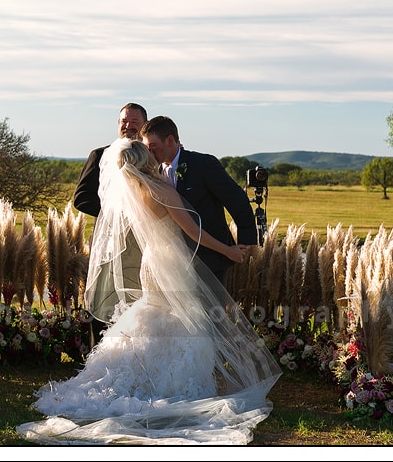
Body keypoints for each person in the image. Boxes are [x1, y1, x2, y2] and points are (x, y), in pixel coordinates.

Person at [16, 138, 281, 444]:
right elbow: (192, 230)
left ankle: (138, 376)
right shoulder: (161, 190)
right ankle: (165, 384)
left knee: (154, 314)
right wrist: (227, 250)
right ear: (146, 161)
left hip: (151, 262)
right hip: (170, 263)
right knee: (180, 319)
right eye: (150, 153)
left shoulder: (135, 191)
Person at [140, 115, 257, 285]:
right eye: (146, 149)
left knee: (211, 311)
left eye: (153, 147)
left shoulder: (203, 164)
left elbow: (237, 200)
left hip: (210, 257)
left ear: (170, 140)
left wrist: (246, 244)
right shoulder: (152, 173)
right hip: (174, 261)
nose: (150, 153)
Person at [73, 103, 148, 343]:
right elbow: (81, 198)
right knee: (104, 296)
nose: (128, 126)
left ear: (144, 125)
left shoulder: (150, 154)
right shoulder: (99, 154)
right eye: (124, 121)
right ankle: (100, 354)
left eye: (134, 121)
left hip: (142, 242)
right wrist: (117, 214)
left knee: (139, 299)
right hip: (107, 242)